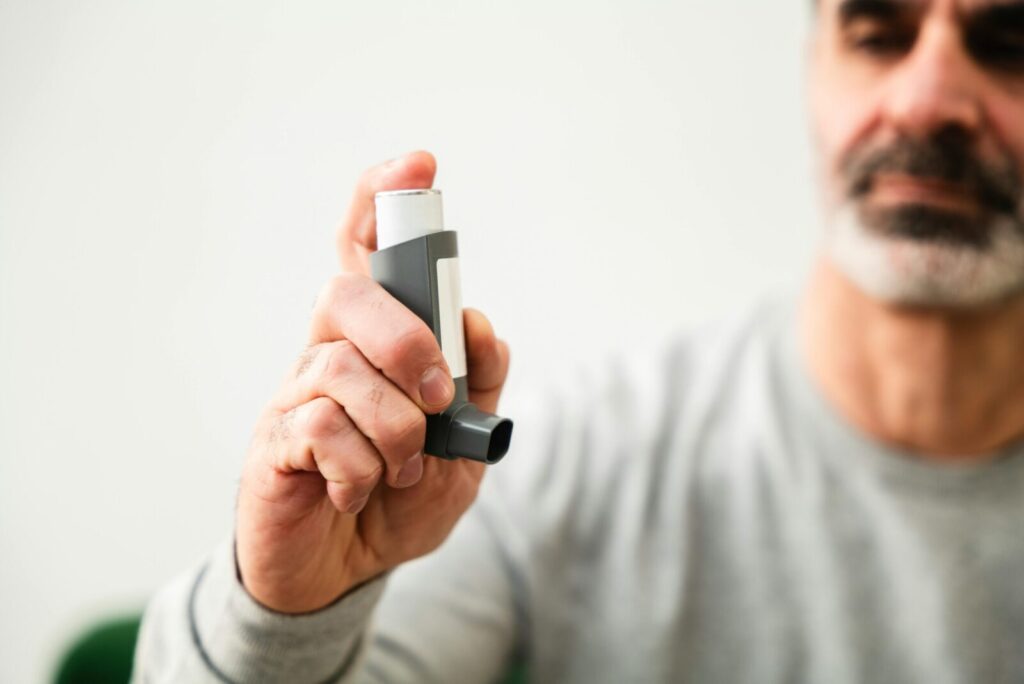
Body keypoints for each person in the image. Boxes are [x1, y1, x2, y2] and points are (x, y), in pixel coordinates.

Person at [132, 0, 1024, 681]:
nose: (927, 99)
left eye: (1008, 43)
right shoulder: (579, 463)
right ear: (814, 71)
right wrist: (284, 614)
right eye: (877, 36)